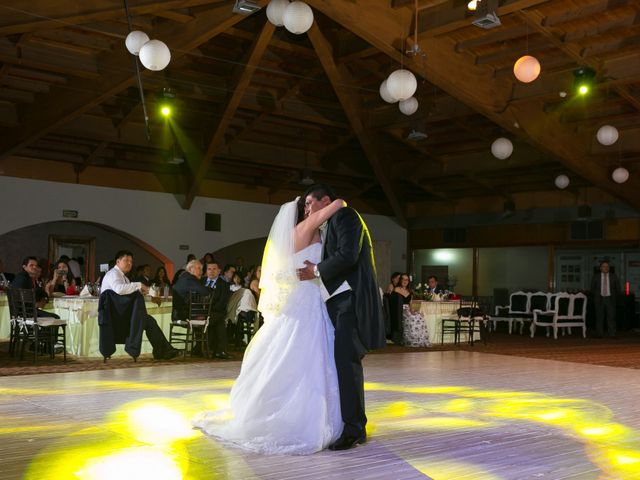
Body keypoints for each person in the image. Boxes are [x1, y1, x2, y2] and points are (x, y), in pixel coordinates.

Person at [193, 194, 346, 454]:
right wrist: (334, 203)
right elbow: (339, 204)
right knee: (305, 354)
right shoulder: (304, 228)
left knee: (303, 354)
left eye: (311, 204)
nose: (310, 209)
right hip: (306, 298)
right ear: (299, 213)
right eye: (306, 205)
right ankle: (299, 418)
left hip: (307, 296)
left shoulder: (298, 232)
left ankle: (311, 413)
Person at [297, 184, 386, 451]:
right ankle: (351, 424)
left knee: (347, 363)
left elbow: (348, 255)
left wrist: (316, 270)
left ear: (326, 200)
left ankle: (355, 429)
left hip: (352, 301)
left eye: (310, 203)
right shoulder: (324, 227)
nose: (307, 209)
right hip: (339, 303)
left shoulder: (346, 216)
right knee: (343, 364)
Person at [101, 250, 180, 360]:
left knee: (149, 321)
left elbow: (131, 294)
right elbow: (119, 289)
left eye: (131, 261)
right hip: (115, 317)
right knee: (148, 321)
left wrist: (149, 294)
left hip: (122, 314)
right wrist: (140, 285)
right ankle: (162, 350)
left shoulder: (124, 277)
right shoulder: (113, 274)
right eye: (126, 260)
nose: (129, 263)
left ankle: (162, 350)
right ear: (118, 262)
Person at [201, 260, 233, 359]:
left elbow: (222, 302)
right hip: (200, 312)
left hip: (215, 311)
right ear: (206, 271)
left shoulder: (223, 284)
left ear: (219, 271)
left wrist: (209, 311)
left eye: (214, 269)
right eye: (209, 269)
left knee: (218, 318)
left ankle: (208, 348)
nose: (211, 271)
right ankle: (220, 350)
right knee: (219, 321)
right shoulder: (200, 282)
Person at [591, 260, 621, 338]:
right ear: (600, 268)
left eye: (607, 266)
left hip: (610, 299)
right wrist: (596, 298)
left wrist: (616, 298)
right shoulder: (596, 276)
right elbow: (592, 289)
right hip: (599, 299)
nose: (606, 268)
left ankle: (612, 334)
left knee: (611, 317)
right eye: (604, 266)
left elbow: (618, 288)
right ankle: (599, 334)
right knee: (599, 317)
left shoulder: (613, 276)